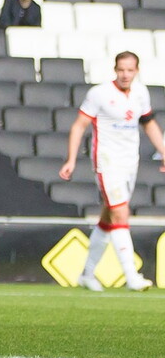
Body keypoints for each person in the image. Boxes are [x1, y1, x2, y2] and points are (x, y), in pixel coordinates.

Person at [59, 51, 165, 292]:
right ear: (115, 70)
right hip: (107, 162)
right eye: (121, 70)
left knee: (108, 218)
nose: (125, 74)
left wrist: (163, 151)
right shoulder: (99, 94)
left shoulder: (141, 93)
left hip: (130, 163)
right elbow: (79, 126)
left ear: (137, 71)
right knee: (120, 213)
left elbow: (148, 122)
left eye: (130, 70)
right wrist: (71, 159)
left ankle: (87, 274)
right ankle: (132, 276)